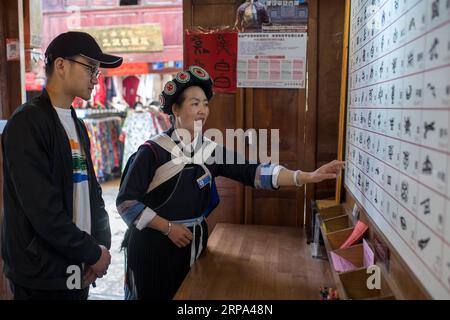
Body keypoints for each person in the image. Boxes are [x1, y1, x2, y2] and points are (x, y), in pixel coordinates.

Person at [116, 65, 345, 300]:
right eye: (194, 103)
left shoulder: (210, 150)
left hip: (193, 244)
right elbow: (126, 204)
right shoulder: (152, 152)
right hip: (154, 247)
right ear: (175, 109)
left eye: (205, 103)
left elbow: (253, 172)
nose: (202, 110)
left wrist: (305, 176)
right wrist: (168, 228)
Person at [1, 31, 123, 300]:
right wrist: (91, 252)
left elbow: (93, 193)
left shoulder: (76, 123)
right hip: (41, 273)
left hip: (78, 265)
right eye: (90, 67)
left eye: (97, 71)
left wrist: (100, 246)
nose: (95, 77)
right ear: (60, 65)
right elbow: (43, 209)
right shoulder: (26, 123)